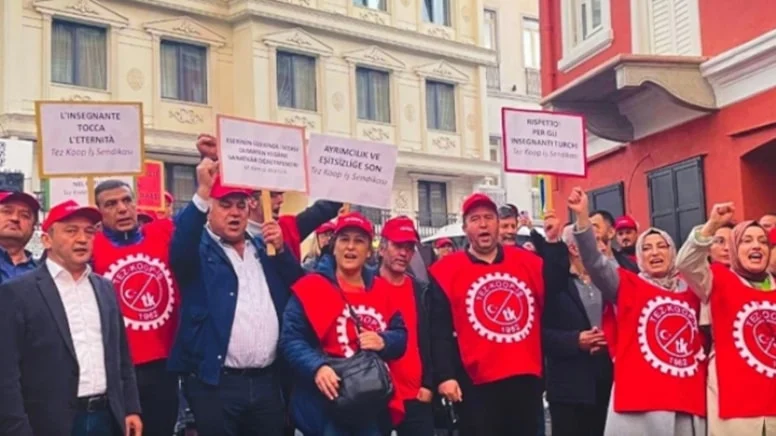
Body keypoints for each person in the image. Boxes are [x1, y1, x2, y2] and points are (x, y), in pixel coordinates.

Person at [168, 158, 298, 436]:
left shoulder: (265, 250)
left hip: (266, 382)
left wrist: (283, 251)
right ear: (209, 209)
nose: (235, 213)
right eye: (225, 205)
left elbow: (298, 287)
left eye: (241, 205)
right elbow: (181, 244)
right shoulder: (198, 251)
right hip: (217, 385)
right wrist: (202, 191)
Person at [569, 188, 706, 436]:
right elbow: (595, 263)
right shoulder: (626, 284)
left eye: (662, 246)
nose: (655, 253)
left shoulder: (693, 291)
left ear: (672, 251)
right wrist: (581, 219)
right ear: (639, 256)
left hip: (686, 397)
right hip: (639, 403)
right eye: (647, 248)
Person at [0, 200, 142, 436]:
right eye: (71, 231)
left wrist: (131, 408)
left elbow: (121, 356)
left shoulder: (105, 288)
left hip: (106, 417)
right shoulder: (17, 292)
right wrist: (15, 427)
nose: (82, 239)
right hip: (48, 422)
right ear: (47, 240)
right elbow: (6, 372)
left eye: (89, 232)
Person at [280, 212, 408, 436]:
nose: (350, 247)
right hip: (324, 407)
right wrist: (316, 367)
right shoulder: (310, 287)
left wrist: (384, 340)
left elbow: (401, 337)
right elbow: (291, 339)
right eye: (344, 239)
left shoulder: (382, 290)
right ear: (334, 246)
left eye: (359, 241)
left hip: (371, 408)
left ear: (369, 251)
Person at [430, 193, 545, 435]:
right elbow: (438, 330)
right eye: (475, 219)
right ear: (465, 228)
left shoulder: (530, 263)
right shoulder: (445, 271)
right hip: (476, 385)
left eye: (488, 218)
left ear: (498, 224)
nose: (483, 224)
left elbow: (552, 304)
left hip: (525, 381)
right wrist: (445, 376)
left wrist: (552, 241)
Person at [676, 203, 776, 436]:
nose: (756, 246)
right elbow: (686, 263)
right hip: (736, 406)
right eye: (746, 240)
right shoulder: (717, 280)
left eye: (763, 241)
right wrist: (712, 225)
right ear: (733, 248)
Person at [91, 179, 180, 436]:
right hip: (117, 367)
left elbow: (196, 219)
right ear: (99, 213)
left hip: (164, 364)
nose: (122, 208)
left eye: (126, 200)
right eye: (111, 204)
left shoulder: (162, 233)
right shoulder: (90, 246)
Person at [196, 133, 341, 261]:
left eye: (281, 194)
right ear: (251, 201)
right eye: (273, 195)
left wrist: (349, 182)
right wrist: (212, 158)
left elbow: (323, 210)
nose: (281, 200)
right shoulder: (225, 234)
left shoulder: (288, 228)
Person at [539, 224, 612, 436]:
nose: (602, 247)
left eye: (603, 241)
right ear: (573, 247)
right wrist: (575, 340)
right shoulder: (554, 283)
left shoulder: (609, 281)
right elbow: (539, 334)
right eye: (595, 240)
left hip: (606, 382)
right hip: (568, 389)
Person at [377, 216, 435, 435]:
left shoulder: (423, 291)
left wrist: (429, 384)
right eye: (398, 245)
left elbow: (432, 339)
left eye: (409, 247)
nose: (404, 253)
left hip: (416, 397)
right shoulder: (365, 286)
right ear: (382, 248)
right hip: (377, 395)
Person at [0, 190, 40, 282]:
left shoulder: (44, 275)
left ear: (33, 229)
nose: (15, 218)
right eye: (7, 212)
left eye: (24, 215)